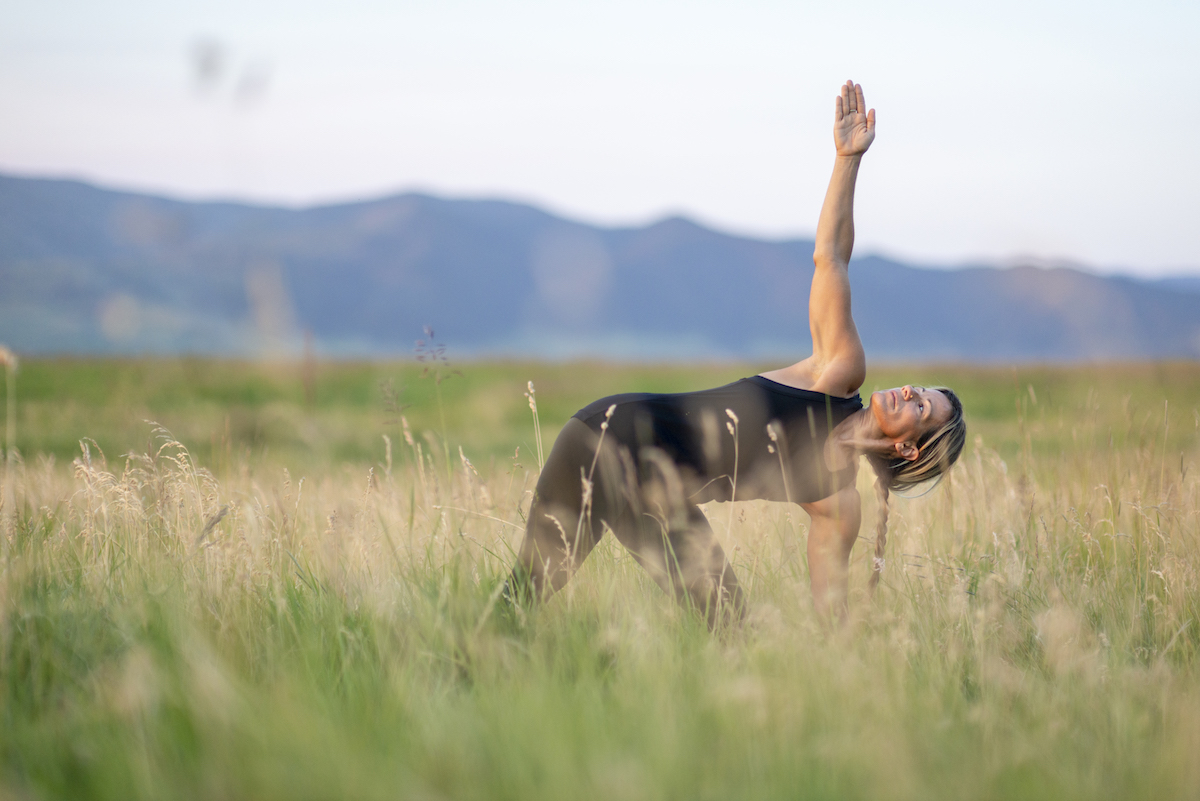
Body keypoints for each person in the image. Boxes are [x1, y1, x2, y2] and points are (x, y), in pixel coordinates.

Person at [508, 81, 967, 625]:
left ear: (912, 450)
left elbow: (830, 611)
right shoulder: (837, 376)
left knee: (726, 623)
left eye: (921, 409)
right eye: (920, 390)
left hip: (649, 489)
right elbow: (831, 260)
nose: (909, 394)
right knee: (528, 594)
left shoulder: (837, 504)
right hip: (605, 433)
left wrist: (847, 667)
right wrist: (847, 161)